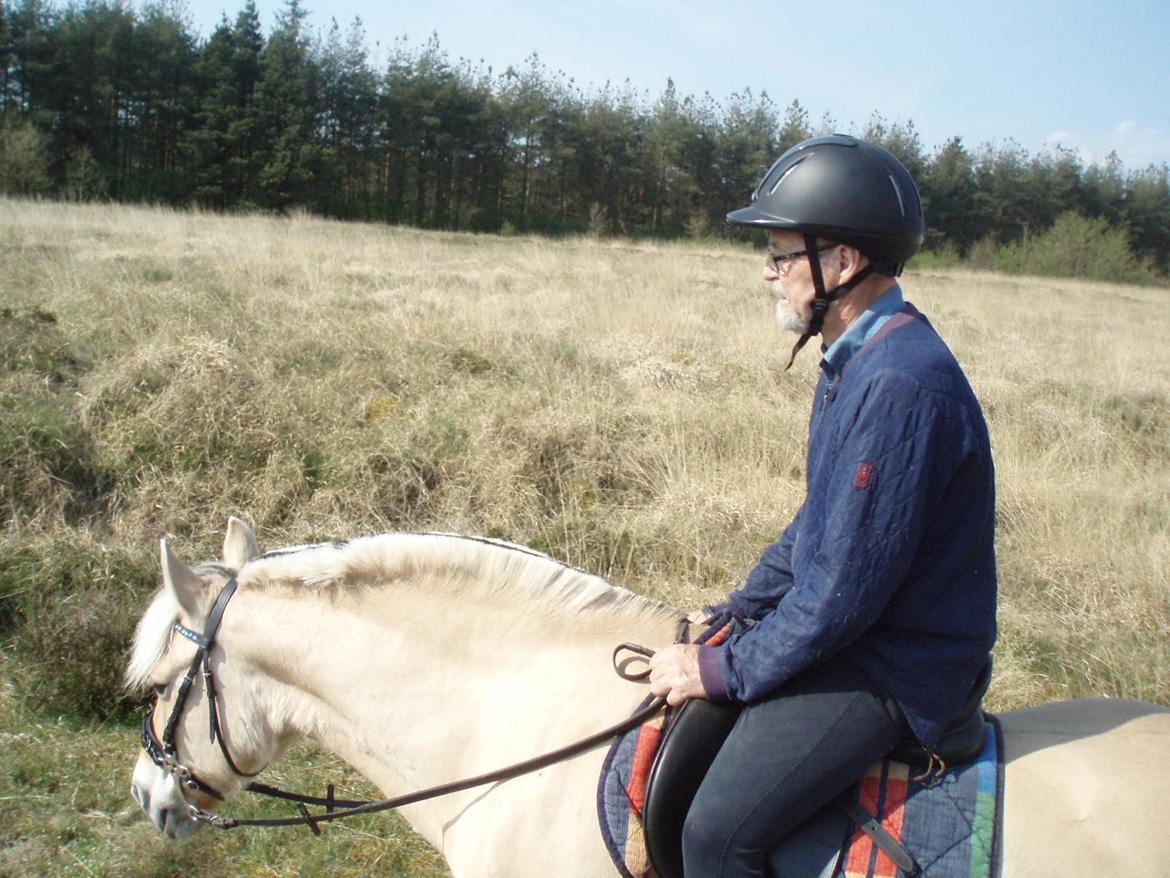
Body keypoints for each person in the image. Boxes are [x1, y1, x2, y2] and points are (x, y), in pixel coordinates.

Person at [647, 134, 997, 877]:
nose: (768, 273)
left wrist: (723, 672)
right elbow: (820, 523)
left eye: (782, 253)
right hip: (865, 632)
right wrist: (742, 607)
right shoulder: (858, 355)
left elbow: (841, 592)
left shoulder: (901, 385)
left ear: (842, 263)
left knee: (715, 836)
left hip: (896, 667)